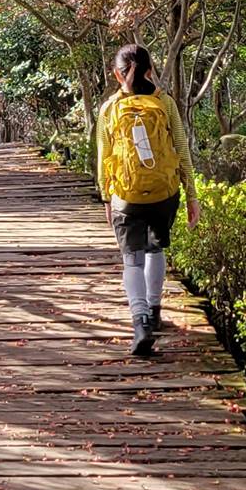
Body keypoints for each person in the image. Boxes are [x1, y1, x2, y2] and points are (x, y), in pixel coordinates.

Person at [96, 44, 200, 357]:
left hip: (125, 197)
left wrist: (106, 198)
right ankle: (155, 311)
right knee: (156, 248)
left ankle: (140, 322)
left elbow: (103, 159)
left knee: (132, 259)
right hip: (164, 194)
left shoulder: (110, 108)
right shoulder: (165, 102)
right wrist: (192, 195)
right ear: (150, 71)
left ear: (117, 74)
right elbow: (181, 150)